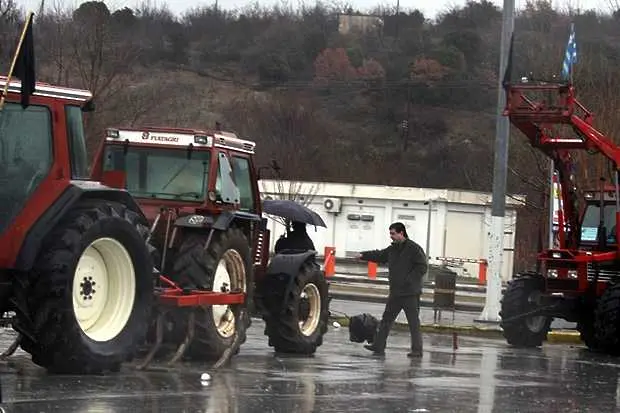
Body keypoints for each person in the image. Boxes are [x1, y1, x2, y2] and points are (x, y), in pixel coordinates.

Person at [357, 222, 428, 357]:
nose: (391, 236)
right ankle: (378, 346)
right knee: (386, 320)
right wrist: (363, 255)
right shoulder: (393, 249)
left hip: (410, 293)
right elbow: (379, 255)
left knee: (413, 323)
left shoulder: (414, 249)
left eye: (393, 233)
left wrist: (409, 280)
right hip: (396, 292)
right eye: (390, 234)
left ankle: (417, 350)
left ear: (402, 233)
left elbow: (422, 266)